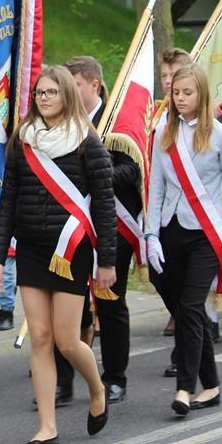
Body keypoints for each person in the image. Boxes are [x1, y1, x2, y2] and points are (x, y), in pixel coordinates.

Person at [0, 66, 115, 444]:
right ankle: (47, 427)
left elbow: (105, 206)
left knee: (66, 341)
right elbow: (7, 200)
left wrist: (107, 262)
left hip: (70, 252)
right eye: (39, 93)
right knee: (39, 339)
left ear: (67, 96)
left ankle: (97, 388)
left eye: (52, 93)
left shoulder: (87, 143)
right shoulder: (22, 143)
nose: (44, 99)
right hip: (30, 250)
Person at [146, 65, 222, 415]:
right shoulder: (163, 131)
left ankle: (184, 388)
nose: (180, 99)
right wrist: (151, 234)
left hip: (206, 232)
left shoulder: (221, 136)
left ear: (202, 94)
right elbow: (157, 187)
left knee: (191, 308)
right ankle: (212, 386)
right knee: (184, 311)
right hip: (170, 230)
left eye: (187, 93)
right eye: (176, 93)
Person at [66, 56, 139, 405]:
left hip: (112, 224)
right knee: (67, 306)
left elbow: (132, 170)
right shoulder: (61, 121)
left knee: (110, 303)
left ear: (93, 85)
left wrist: (97, 173)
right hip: (72, 226)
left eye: (75, 84)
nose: (67, 92)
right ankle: (63, 382)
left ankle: (115, 377)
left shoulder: (117, 119)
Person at [154, 47, 191, 346]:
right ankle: (190, 328)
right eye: (164, 75)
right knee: (163, 276)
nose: (168, 81)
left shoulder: (211, 120)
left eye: (174, 74)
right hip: (169, 212)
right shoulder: (156, 116)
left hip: (201, 214)